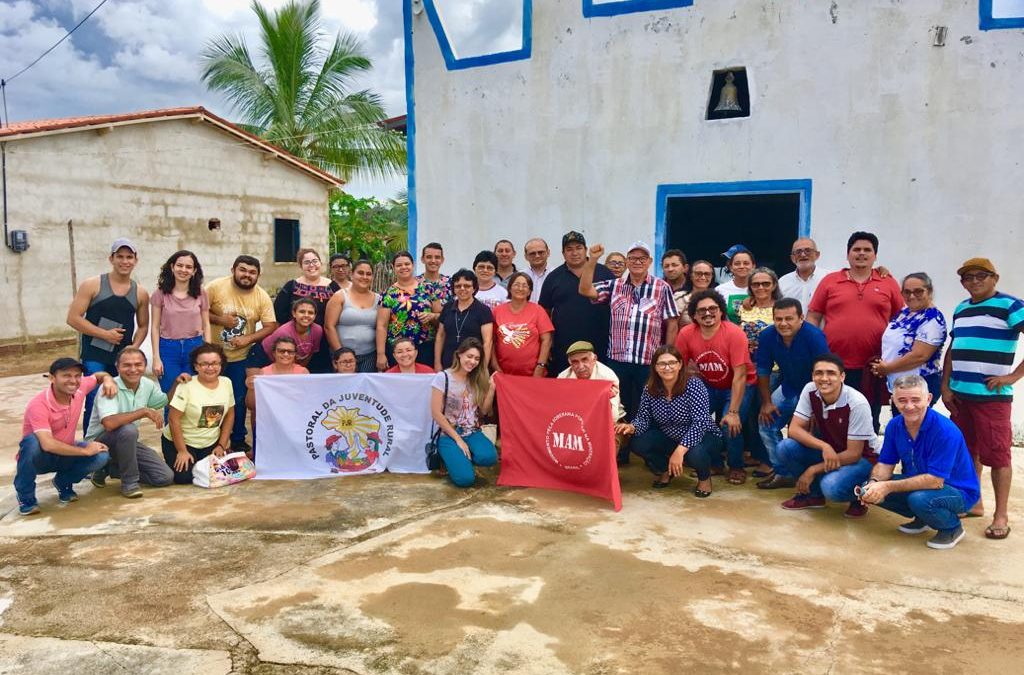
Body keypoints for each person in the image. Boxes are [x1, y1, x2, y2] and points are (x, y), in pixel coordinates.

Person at [942, 257, 1024, 540]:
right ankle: (973, 503)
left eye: (981, 276)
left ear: (995, 278)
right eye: (968, 278)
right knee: (967, 451)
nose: (974, 281)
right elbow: (953, 349)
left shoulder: (1010, 306)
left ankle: (1001, 515)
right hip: (960, 396)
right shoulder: (961, 309)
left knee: (998, 456)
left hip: (992, 399)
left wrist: (1013, 377)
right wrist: (945, 386)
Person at [859, 374, 981, 549]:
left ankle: (952, 528)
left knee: (920, 499)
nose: (909, 406)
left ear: (929, 398)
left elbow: (935, 481)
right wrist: (874, 484)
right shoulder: (895, 425)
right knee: (868, 488)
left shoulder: (945, 430)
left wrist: (886, 487)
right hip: (923, 486)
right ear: (893, 400)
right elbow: (885, 464)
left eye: (916, 400)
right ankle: (922, 518)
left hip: (958, 490)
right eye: (902, 400)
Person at [579, 240, 679, 445]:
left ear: (650, 261)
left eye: (642, 258)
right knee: (618, 407)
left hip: (647, 361)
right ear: (626, 261)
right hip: (617, 360)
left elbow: (672, 322)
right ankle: (620, 452)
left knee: (648, 407)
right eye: (632, 258)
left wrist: (668, 354)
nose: (637, 262)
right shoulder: (614, 285)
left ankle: (646, 450)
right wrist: (593, 260)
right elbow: (585, 289)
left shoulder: (662, 287)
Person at [807, 231, 903, 432]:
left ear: (875, 255)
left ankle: (867, 461)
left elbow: (901, 320)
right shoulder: (830, 281)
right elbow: (814, 316)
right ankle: (834, 460)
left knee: (869, 416)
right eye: (856, 249)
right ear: (848, 254)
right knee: (833, 416)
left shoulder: (888, 283)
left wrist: (894, 359)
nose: (861, 253)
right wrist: (812, 350)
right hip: (835, 363)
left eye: (867, 250)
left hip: (874, 365)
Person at [776, 354, 879, 517]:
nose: (824, 378)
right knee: (785, 447)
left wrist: (812, 470)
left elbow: (853, 454)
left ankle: (860, 495)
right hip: (831, 449)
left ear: (842, 376)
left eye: (831, 373)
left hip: (864, 458)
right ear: (813, 376)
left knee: (831, 487)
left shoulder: (856, 403)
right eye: (819, 373)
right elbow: (794, 430)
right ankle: (813, 496)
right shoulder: (810, 390)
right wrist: (824, 446)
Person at [674, 290, 758, 484]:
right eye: (701, 310)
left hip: (740, 384)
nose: (707, 313)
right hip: (709, 385)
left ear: (721, 311)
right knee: (694, 418)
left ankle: (736, 466)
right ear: (694, 315)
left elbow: (740, 375)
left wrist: (734, 411)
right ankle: (715, 463)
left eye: (713, 308)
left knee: (731, 424)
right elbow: (679, 367)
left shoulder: (734, 333)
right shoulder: (686, 333)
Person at [66, 238, 150, 431]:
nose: (124, 261)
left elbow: (144, 326)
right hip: (94, 355)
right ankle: (91, 445)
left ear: (135, 260)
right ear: (111, 258)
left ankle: (119, 446)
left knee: (122, 402)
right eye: (119, 256)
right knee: (95, 400)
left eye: (129, 257)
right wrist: (105, 334)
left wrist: (133, 348)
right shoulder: (92, 285)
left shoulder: (140, 293)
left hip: (122, 359)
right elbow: (73, 318)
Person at [616, 346, 722, 497]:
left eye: (672, 363)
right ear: (655, 367)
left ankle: (704, 478)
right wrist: (632, 427)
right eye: (662, 364)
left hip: (704, 436)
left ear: (679, 365)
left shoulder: (694, 385)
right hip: (670, 435)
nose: (667, 368)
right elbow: (643, 418)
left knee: (695, 453)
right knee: (638, 443)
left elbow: (700, 423)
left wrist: (680, 451)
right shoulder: (650, 389)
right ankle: (665, 470)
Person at [15, 357, 115, 515]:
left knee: (102, 456)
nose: (73, 380)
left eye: (77, 375)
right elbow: (47, 444)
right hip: (41, 457)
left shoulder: (79, 389)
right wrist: (84, 451)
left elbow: (98, 376)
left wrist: (108, 379)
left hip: (65, 454)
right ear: (52, 378)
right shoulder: (39, 404)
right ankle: (25, 496)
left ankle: (63, 482)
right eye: (66, 376)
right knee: (32, 442)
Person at [755, 298, 830, 489]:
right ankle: (783, 472)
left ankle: (812, 476)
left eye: (789, 318)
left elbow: (824, 373)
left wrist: (815, 408)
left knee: (809, 433)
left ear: (801, 318)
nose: (783, 323)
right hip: (789, 387)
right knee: (766, 424)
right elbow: (763, 369)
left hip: (816, 391)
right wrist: (766, 402)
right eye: (778, 319)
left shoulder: (814, 336)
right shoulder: (767, 336)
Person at [206, 255, 278, 454]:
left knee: (237, 400)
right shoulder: (215, 287)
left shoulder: (261, 296)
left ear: (258, 275)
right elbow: (199, 310)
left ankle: (237, 438)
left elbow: (271, 326)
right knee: (211, 399)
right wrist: (221, 319)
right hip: (212, 357)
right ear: (233, 270)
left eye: (252, 272)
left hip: (240, 357)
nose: (247, 275)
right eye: (243, 270)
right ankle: (211, 440)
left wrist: (249, 339)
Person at [85, 347, 174, 498]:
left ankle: (109, 469)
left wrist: (178, 383)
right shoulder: (110, 386)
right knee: (128, 429)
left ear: (145, 366)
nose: (133, 369)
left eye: (138, 364)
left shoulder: (147, 384)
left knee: (164, 477)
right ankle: (129, 483)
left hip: (127, 442)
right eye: (127, 365)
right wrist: (143, 411)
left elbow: (164, 401)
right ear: (117, 366)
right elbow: (109, 424)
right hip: (99, 444)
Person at [539, 231, 616, 378]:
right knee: (567, 391)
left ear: (585, 249)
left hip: (600, 344)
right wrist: (547, 346)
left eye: (578, 248)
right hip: (565, 348)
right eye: (569, 249)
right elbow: (544, 314)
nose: (574, 253)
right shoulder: (553, 278)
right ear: (563, 253)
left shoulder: (604, 272)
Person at [162, 343, 234, 485]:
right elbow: (173, 418)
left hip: (210, 442)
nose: (210, 368)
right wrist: (182, 451)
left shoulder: (227, 383)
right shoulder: (186, 385)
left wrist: (221, 445)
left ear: (221, 364)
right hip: (183, 441)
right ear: (196, 367)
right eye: (204, 364)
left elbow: (230, 415)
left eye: (215, 363)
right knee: (184, 479)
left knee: (214, 475)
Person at [871, 272, 947, 407]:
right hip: (900, 383)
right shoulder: (904, 312)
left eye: (918, 291)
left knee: (914, 426)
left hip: (919, 386)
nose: (912, 296)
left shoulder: (932, 318)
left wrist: (887, 368)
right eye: (907, 292)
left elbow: (919, 356)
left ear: (929, 291)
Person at [430, 338, 498, 487]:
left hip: (471, 431)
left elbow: (484, 411)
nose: (472, 361)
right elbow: (436, 413)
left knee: (489, 457)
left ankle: (461, 458)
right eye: (469, 356)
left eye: (476, 359)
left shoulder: (476, 379)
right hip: (448, 434)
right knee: (465, 480)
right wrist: (458, 440)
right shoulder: (443, 377)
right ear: (459, 355)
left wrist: (492, 388)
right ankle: (449, 459)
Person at [737, 267, 782, 477]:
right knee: (747, 414)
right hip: (747, 369)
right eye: (756, 284)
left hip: (772, 370)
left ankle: (771, 461)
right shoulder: (744, 308)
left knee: (765, 414)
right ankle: (756, 454)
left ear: (774, 285)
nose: (761, 288)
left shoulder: (780, 308)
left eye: (766, 283)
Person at [149, 250, 210, 396]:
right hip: (168, 349)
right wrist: (156, 357)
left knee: (194, 394)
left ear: (194, 271)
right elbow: (155, 327)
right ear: (172, 267)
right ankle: (169, 420)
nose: (183, 270)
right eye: (179, 265)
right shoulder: (160, 294)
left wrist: (208, 351)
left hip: (195, 347)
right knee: (171, 394)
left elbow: (206, 324)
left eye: (188, 267)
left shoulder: (201, 293)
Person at [272, 247, 338, 373]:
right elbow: (279, 315)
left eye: (315, 261)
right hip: (295, 343)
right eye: (307, 262)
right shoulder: (292, 286)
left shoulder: (332, 287)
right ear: (301, 266)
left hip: (324, 343)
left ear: (320, 263)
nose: (311, 265)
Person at [376, 250, 442, 370]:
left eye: (407, 264)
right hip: (399, 350)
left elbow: (440, 316)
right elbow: (382, 325)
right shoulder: (388, 294)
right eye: (399, 265)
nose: (403, 267)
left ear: (413, 265)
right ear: (393, 267)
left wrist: (432, 316)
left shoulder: (428, 289)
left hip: (425, 347)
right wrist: (381, 354)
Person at [245, 336, 308, 457]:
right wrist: (251, 389)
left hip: (294, 422)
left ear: (295, 354)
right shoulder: (264, 372)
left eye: (290, 351)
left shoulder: (303, 373)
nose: (285, 354)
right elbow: (251, 406)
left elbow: (308, 402)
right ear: (274, 353)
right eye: (281, 351)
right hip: (270, 422)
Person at [492, 272, 554, 377]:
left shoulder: (538, 310)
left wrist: (540, 366)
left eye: (525, 286)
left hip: (533, 374)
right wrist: (495, 366)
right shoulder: (497, 311)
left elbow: (547, 340)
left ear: (530, 291)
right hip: (503, 374)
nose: (520, 288)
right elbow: (491, 341)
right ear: (510, 288)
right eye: (516, 285)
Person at [324, 260, 380, 373]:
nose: (364, 277)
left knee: (364, 390)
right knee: (343, 389)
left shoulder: (379, 299)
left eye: (368, 274)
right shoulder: (340, 296)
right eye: (360, 273)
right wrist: (340, 354)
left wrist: (381, 354)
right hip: (342, 358)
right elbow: (329, 326)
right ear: (351, 274)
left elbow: (381, 327)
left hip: (368, 356)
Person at [435, 269, 494, 371]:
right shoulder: (448, 308)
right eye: (458, 286)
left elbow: (487, 342)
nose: (462, 289)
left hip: (473, 366)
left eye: (467, 286)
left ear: (474, 288)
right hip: (448, 364)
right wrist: (437, 363)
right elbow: (440, 336)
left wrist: (483, 368)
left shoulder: (483, 310)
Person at [557, 341, 627, 424]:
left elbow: (613, 418)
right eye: (575, 362)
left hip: (606, 422)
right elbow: (559, 411)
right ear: (570, 363)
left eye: (584, 359)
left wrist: (606, 401)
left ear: (594, 359)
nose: (581, 366)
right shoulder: (563, 378)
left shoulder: (607, 376)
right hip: (575, 421)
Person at [261, 298, 323, 368]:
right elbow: (280, 359)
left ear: (315, 316)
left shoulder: (317, 330)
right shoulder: (284, 332)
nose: (306, 315)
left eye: (310, 313)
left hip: (295, 361)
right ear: (294, 313)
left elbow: (310, 354)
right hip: (266, 357)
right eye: (302, 312)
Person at [778, 238, 831, 310]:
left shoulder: (829, 278)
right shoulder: (783, 282)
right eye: (798, 252)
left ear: (817, 255)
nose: (803, 255)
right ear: (792, 258)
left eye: (808, 250)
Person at [716, 244, 754, 324]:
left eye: (746, 263)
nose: (742, 266)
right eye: (737, 263)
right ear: (730, 267)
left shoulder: (762, 288)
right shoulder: (719, 290)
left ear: (753, 266)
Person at [677, 259, 715, 327]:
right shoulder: (680, 297)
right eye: (698, 274)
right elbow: (673, 326)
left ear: (712, 277)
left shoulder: (717, 298)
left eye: (707, 274)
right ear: (691, 276)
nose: (703, 277)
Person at [418, 242, 451, 307]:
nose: (433, 261)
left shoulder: (450, 283)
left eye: (437, 257)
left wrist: (435, 316)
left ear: (442, 260)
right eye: (429, 257)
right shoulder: (415, 283)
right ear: (422, 259)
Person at [661, 249, 690, 314]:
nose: (670, 269)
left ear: (685, 268)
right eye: (666, 266)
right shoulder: (657, 288)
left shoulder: (693, 287)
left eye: (674, 265)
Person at [523, 238, 551, 302]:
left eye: (541, 252)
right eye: (532, 253)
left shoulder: (557, 275)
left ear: (548, 252)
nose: (537, 256)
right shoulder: (519, 276)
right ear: (526, 256)